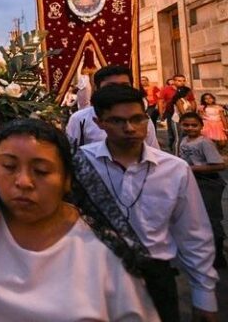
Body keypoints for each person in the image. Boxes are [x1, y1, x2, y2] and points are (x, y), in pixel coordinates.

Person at [0, 118, 158, 320]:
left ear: (67, 179)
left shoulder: (104, 248)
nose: (23, 181)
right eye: (9, 166)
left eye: (42, 170)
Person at [81, 85, 219, 321]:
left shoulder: (175, 169)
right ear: (99, 122)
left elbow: (193, 233)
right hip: (91, 279)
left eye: (137, 119)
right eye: (117, 121)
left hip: (155, 278)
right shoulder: (81, 163)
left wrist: (204, 294)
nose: (130, 128)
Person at [66, 65, 160, 149]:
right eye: (111, 86)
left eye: (124, 86)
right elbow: (70, 154)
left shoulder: (143, 119)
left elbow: (154, 152)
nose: (118, 91)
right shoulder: (80, 119)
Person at [178, 112, 226, 269]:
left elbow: (220, 165)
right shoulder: (184, 140)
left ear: (201, 126)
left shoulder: (205, 142)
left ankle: (218, 255)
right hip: (192, 182)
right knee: (196, 217)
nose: (190, 128)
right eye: (186, 125)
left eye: (194, 125)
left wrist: (193, 168)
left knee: (211, 217)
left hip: (209, 183)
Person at [159, 74, 196, 151]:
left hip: (183, 115)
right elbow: (161, 101)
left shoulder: (187, 90)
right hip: (171, 113)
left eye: (183, 80)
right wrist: (161, 113)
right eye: (179, 81)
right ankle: (173, 148)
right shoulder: (166, 89)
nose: (182, 82)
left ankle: (182, 149)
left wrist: (193, 112)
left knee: (182, 134)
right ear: (174, 81)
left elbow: (192, 100)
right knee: (172, 134)